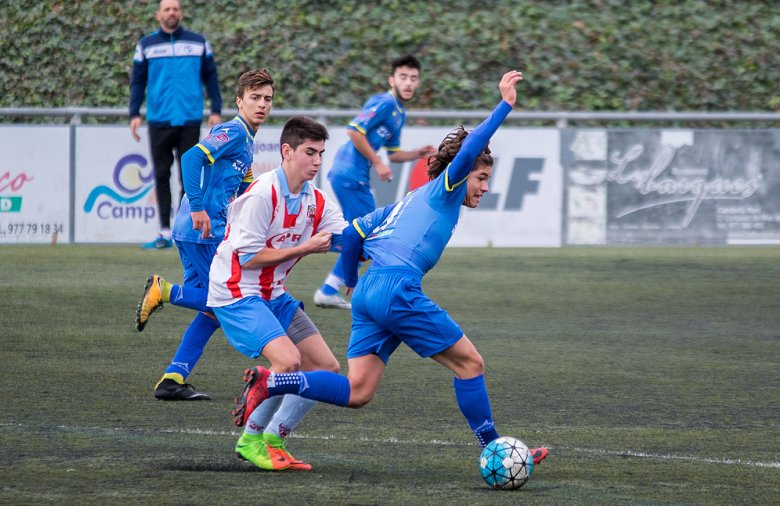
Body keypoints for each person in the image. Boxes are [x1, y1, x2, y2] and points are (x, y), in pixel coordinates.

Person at [231, 70, 549, 467]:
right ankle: (495, 450)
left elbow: (353, 233)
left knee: (358, 391)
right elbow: (472, 149)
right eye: (481, 178)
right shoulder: (446, 187)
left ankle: (273, 381)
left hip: (368, 293)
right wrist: (504, 106)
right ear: (463, 172)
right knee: (471, 364)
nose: (484, 187)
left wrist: (348, 278)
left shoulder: (409, 200)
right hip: (397, 289)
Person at [141, 117, 348, 471]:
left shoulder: (316, 199)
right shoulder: (263, 193)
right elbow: (249, 259)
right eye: (309, 152)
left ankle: (273, 438)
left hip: (275, 294)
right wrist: (306, 248)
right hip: (236, 291)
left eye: (321, 153)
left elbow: (345, 238)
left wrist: (386, 235)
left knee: (327, 369)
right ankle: (251, 439)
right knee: (287, 363)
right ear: (286, 151)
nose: (316, 161)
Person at [135, 68, 274, 401]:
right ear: (239, 101)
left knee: (210, 311)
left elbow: (244, 189)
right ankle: (164, 290)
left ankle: (172, 378)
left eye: (267, 99)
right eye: (254, 98)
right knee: (226, 298)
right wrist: (198, 206)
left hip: (197, 230)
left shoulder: (246, 140)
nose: (262, 104)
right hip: (204, 229)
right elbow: (191, 156)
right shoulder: (234, 132)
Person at [313, 54, 437, 309]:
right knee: (368, 236)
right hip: (349, 172)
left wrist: (418, 154)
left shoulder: (399, 113)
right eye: (403, 77)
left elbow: (393, 154)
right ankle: (311, 246)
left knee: (365, 236)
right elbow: (354, 131)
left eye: (413, 78)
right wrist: (377, 162)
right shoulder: (384, 101)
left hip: (353, 175)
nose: (408, 83)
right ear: (392, 80)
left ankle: (328, 288)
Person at [129, 0, 223, 250]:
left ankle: (184, 231)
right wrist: (134, 113)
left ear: (181, 13)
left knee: (188, 176)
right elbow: (137, 81)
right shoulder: (146, 45)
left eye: (175, 9)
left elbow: (211, 77)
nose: (172, 12)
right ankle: (164, 232)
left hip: (190, 119)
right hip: (159, 120)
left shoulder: (198, 42)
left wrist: (215, 109)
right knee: (161, 175)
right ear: (158, 14)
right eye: (167, 9)